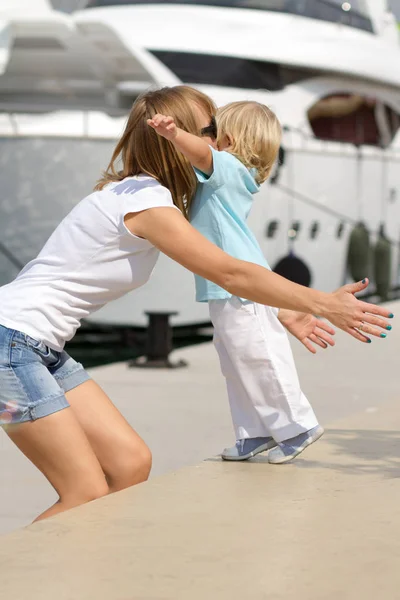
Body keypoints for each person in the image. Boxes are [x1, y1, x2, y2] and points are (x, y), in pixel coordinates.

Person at [0, 86, 392, 523]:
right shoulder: (146, 204)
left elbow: (233, 257)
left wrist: (281, 309)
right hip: (10, 345)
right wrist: (321, 302)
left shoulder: (147, 197)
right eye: (213, 130)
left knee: (131, 464)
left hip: (38, 347)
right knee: (84, 490)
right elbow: (229, 273)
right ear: (178, 137)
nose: (221, 141)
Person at [147, 99, 393, 464]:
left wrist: (173, 134)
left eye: (211, 133)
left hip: (241, 287)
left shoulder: (227, 168)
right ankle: (254, 432)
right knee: (236, 361)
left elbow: (201, 153)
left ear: (227, 140)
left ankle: (298, 427)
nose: (205, 139)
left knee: (259, 356)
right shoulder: (230, 176)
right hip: (228, 287)